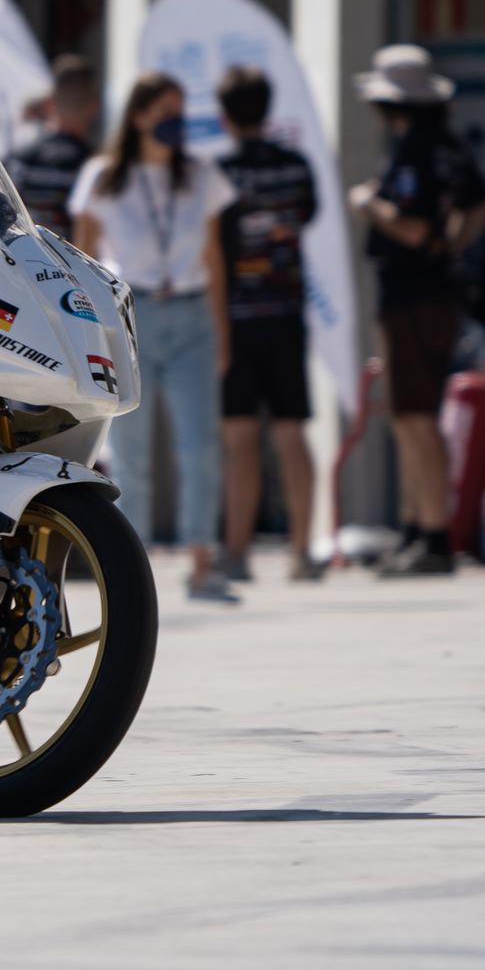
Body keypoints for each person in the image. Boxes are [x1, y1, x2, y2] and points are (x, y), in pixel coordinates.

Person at [70, 73, 238, 602]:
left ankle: (202, 561)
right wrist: (86, 336)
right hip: (130, 316)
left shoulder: (201, 175)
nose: (176, 120)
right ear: (139, 115)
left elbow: (213, 254)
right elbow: (83, 261)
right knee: (131, 448)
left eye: (181, 109)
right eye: (165, 109)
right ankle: (131, 565)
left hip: (191, 314)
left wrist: (221, 328)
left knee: (200, 445)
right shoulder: (103, 176)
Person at [348, 45, 485, 577]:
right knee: (410, 416)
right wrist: (454, 245)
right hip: (433, 295)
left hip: (411, 297)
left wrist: (368, 204)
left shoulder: (414, 150)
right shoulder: (447, 146)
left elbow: (411, 227)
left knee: (416, 418)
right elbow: (480, 201)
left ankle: (432, 536)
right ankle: (416, 530)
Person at [214, 65, 320, 583]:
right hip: (286, 316)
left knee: (239, 441)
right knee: (292, 434)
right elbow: (308, 214)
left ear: (224, 115)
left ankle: (237, 553)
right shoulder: (295, 166)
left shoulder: (217, 172)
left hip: (234, 321)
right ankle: (302, 552)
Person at [8, 55, 100, 235]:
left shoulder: (21, 158)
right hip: (74, 261)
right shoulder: (97, 167)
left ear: (50, 102)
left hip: (25, 257)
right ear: (95, 105)